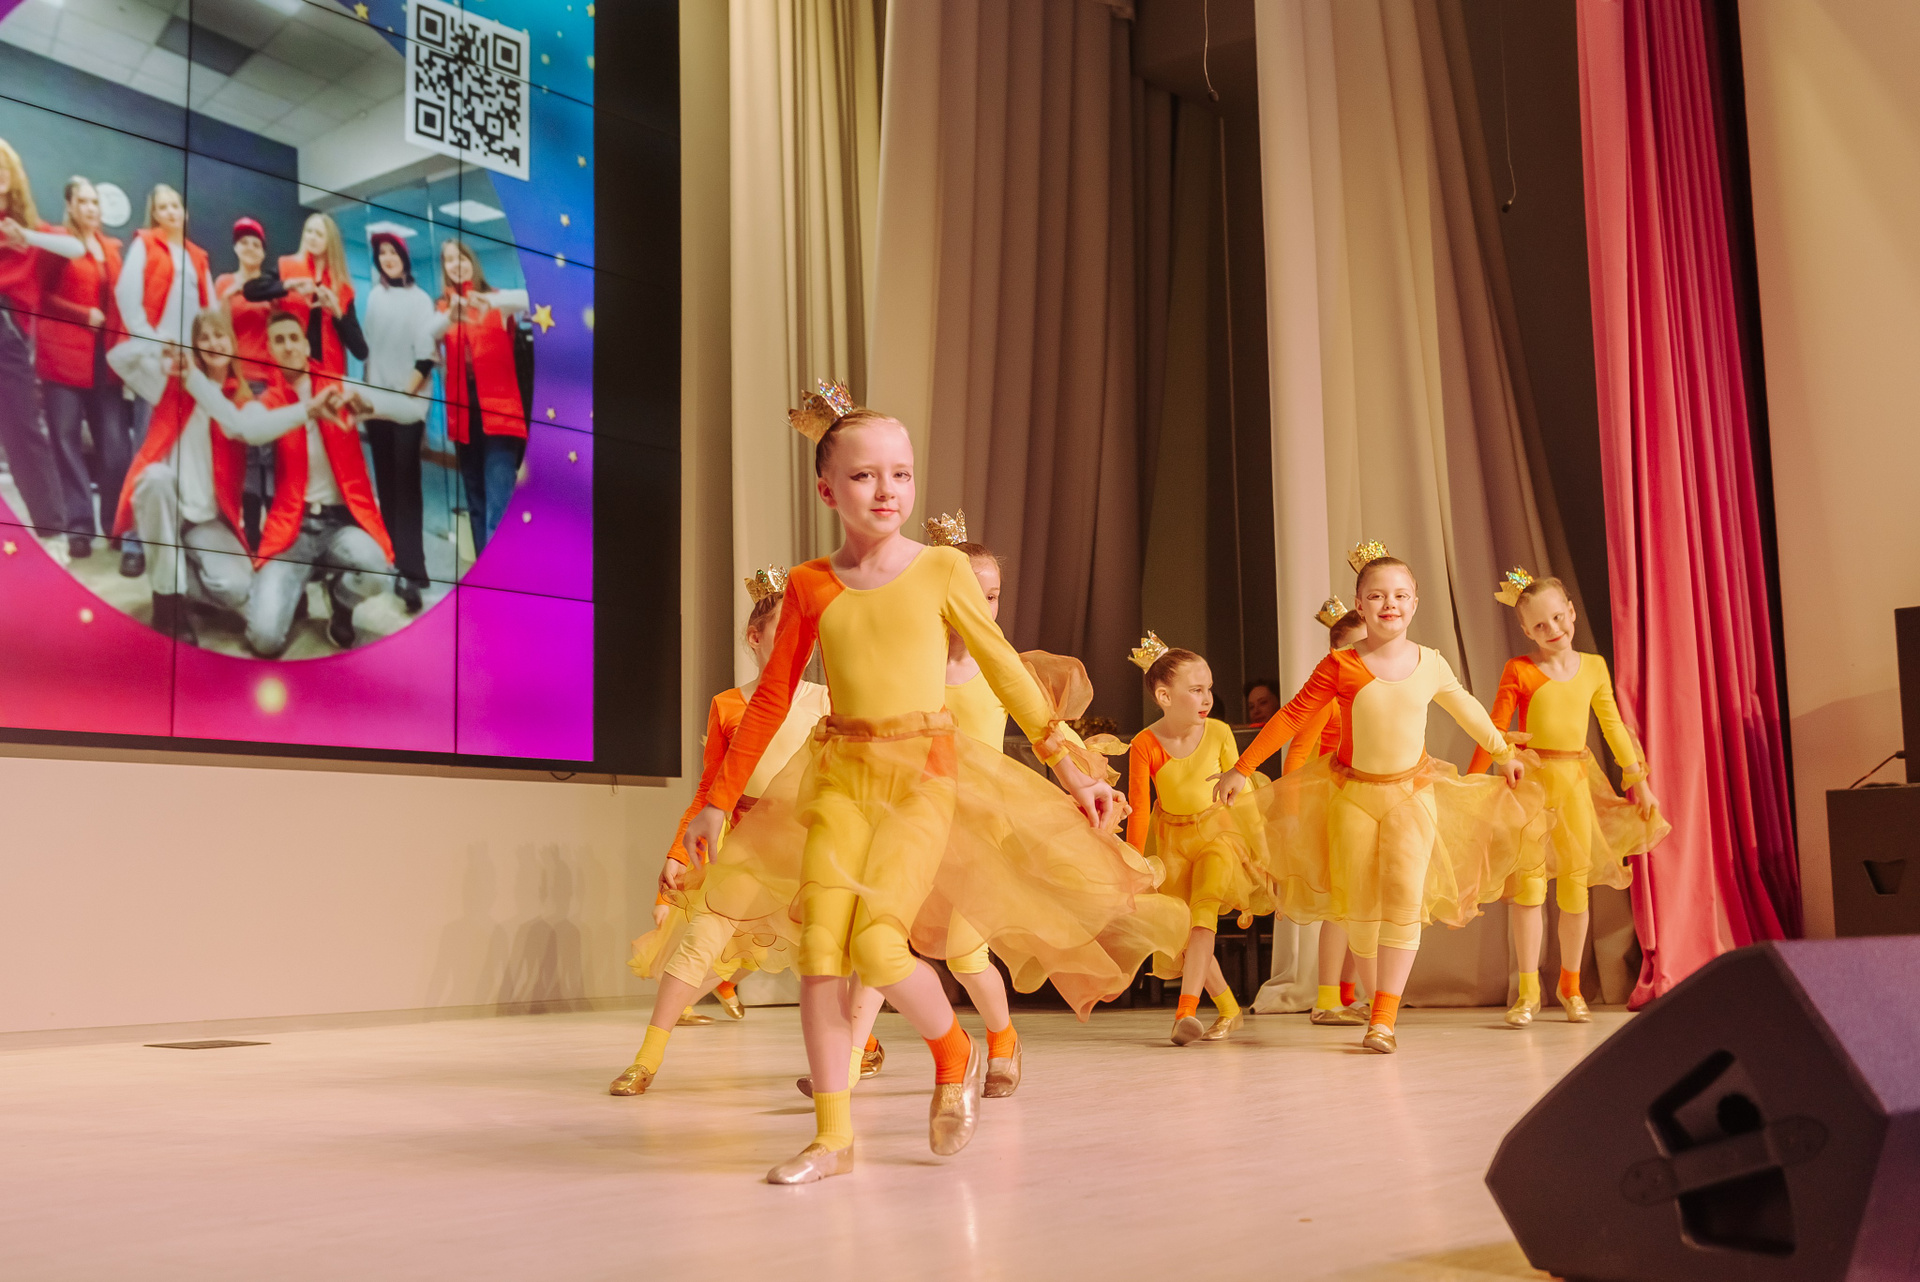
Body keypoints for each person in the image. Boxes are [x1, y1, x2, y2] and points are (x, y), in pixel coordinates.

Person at [681, 381, 1153, 1184]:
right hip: (839, 777)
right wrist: (717, 800)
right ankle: (833, 1139)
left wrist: (1070, 764)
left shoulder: (940, 569)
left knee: (877, 942)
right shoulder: (810, 584)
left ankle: (954, 1048)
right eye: (864, 476)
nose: (886, 490)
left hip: (923, 777)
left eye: (900, 474)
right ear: (827, 490)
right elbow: (770, 699)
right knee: (821, 954)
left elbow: (1005, 670)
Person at [1215, 542, 1545, 1055]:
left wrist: (1504, 754)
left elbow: (1468, 709)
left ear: (1415, 602)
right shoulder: (1340, 665)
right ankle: (1374, 1004)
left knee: (1404, 899)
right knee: (1360, 910)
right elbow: (1292, 716)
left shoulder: (1430, 663)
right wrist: (1242, 768)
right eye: (1376, 596)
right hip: (1352, 797)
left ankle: (1384, 1020)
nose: (1389, 604)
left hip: (1413, 795)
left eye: (1400, 595)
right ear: (1360, 605)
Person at [611, 566, 860, 1096]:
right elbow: (710, 789)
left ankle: (862, 1047)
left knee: (829, 957)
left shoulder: (827, 699)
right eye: (784, 629)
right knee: (701, 939)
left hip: (814, 846)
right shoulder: (729, 704)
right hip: (752, 848)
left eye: (805, 632)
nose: (799, 643)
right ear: (755, 636)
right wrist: (679, 850)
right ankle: (647, 1058)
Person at [1470, 569, 1670, 1027]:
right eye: (1540, 625)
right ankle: (1527, 992)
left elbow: (1613, 725)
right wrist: (1475, 782)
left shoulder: (1594, 667)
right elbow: (1494, 729)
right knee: (1529, 891)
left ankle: (1571, 985)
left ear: (1571, 612)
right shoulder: (1519, 670)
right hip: (1532, 788)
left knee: (1576, 892)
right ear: (1526, 631)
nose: (1553, 629)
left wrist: (1639, 781)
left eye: (1558, 618)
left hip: (1576, 787)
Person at [111, 310, 291, 641]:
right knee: (156, 478)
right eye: (204, 337)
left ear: (233, 342)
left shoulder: (242, 401)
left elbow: (238, 426)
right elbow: (118, 358)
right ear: (195, 345)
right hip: (163, 504)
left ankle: (174, 571)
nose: (212, 343)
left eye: (219, 335)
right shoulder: (171, 382)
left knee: (238, 588)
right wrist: (159, 343)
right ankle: (167, 605)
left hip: (205, 518)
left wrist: (196, 380)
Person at [1125, 632, 1268, 1046]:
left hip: (1218, 835)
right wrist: (1133, 864)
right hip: (1172, 843)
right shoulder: (1144, 744)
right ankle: (1228, 1008)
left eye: (1209, 689)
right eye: (1196, 690)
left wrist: (1262, 852)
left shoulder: (1219, 732)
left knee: (1204, 916)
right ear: (1164, 696)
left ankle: (1185, 1011)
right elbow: (1139, 809)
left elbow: (1243, 796)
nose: (1207, 698)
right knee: (1184, 934)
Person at [229, 311, 395, 656]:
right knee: (264, 640)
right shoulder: (270, 402)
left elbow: (405, 408)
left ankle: (340, 600)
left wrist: (371, 407)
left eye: (294, 338)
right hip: (293, 527)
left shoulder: (340, 387)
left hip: (341, 523)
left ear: (306, 345)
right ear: (270, 351)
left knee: (378, 571)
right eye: (279, 340)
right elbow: (251, 429)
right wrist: (308, 410)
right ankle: (293, 587)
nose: (289, 346)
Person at [110, 183, 218, 579]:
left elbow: (211, 310)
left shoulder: (198, 257)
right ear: (155, 214)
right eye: (163, 207)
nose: (171, 212)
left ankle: (175, 538)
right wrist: (154, 343)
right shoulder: (145, 244)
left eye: (176, 205)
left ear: (184, 211)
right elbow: (127, 296)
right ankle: (134, 543)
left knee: (183, 455)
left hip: (190, 371)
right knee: (148, 452)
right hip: (155, 367)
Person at [33, 176, 130, 563]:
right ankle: (78, 527)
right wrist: (80, 313)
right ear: (70, 205)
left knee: (116, 447)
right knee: (66, 441)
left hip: (106, 362)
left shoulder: (112, 249)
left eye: (95, 202)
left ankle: (115, 524)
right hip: (63, 360)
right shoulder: (59, 242)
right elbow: (40, 295)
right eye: (84, 201)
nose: (91, 208)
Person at [1289, 598, 1371, 1027]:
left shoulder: (1377, 689)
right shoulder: (1330, 695)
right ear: (1336, 653)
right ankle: (1325, 999)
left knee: (1364, 903)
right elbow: (1298, 751)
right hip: (1336, 804)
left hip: (1372, 801)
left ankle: (1347, 993)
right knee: (1343, 903)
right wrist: (1290, 814)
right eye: (1354, 648)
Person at [360, 232, 447, 612]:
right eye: (381, 253)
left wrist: (402, 397)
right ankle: (395, 561)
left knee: (407, 486)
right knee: (386, 485)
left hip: (407, 406)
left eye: (392, 251)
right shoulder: (374, 297)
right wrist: (368, 398)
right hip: (376, 406)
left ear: (404, 257)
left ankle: (413, 571)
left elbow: (425, 358)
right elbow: (369, 352)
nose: (387, 257)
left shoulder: (421, 300)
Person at [0, 139, 81, 538]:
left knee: (23, 430)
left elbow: (76, 247)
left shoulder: (30, 228)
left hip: (8, 330)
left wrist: (26, 238)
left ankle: (52, 532)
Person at [436, 239, 528, 557]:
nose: (455, 264)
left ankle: (502, 575)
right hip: (463, 416)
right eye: (449, 260)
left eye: (460, 257)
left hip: (500, 414)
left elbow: (533, 300)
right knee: (475, 501)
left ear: (471, 261)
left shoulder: (499, 300)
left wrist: (488, 301)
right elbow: (428, 334)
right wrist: (450, 316)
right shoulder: (443, 308)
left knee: (499, 504)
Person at [214, 217, 278, 548]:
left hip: (269, 380)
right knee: (248, 456)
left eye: (256, 244)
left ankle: (273, 530)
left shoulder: (271, 286)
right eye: (244, 242)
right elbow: (217, 330)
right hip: (237, 379)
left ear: (263, 252)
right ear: (235, 248)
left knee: (270, 455)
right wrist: (228, 297)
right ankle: (251, 530)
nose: (250, 248)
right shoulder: (224, 283)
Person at [243, 212, 367, 380]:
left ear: (330, 241)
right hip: (290, 369)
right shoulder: (287, 266)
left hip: (329, 373)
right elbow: (250, 290)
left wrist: (337, 311)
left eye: (319, 234)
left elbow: (361, 351)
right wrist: (288, 285)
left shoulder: (342, 287)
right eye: (309, 231)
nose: (312, 237)